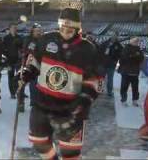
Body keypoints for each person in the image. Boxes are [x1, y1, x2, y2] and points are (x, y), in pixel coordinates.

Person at [20, 8, 104, 159]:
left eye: (70, 29)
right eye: (62, 27)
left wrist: (82, 102)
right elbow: (34, 63)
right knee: (39, 142)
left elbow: (95, 81)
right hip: (43, 104)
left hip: (71, 108)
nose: (65, 32)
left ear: (78, 29)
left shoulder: (88, 49)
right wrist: (27, 72)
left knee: (70, 153)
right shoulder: (46, 40)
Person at [18, 23, 43, 111]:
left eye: (39, 31)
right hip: (27, 64)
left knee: (35, 85)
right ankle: (21, 103)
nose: (38, 32)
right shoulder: (29, 39)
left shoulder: (42, 40)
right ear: (32, 31)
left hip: (38, 66)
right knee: (21, 84)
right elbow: (27, 51)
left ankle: (34, 103)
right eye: (36, 31)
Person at [118, 37, 144, 107]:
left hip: (135, 72)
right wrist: (133, 56)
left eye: (137, 41)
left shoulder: (139, 49)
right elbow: (122, 59)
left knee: (135, 87)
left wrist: (136, 57)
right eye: (135, 41)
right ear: (131, 41)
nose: (136, 42)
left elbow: (141, 59)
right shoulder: (126, 48)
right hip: (126, 71)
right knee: (124, 86)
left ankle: (135, 100)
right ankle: (123, 100)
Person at [3, 23, 23, 99]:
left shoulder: (19, 37)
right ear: (10, 29)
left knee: (19, 76)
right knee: (10, 76)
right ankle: (12, 93)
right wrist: (6, 55)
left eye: (15, 28)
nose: (14, 29)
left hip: (18, 60)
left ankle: (19, 91)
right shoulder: (6, 38)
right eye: (13, 28)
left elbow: (22, 47)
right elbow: (2, 48)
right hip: (9, 61)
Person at [99, 32, 123, 97]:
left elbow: (121, 55)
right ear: (111, 36)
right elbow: (100, 51)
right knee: (101, 78)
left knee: (110, 79)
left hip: (111, 65)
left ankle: (109, 92)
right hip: (103, 64)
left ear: (117, 37)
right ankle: (99, 89)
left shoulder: (118, 45)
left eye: (116, 36)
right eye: (113, 36)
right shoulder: (105, 43)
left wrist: (116, 60)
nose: (114, 37)